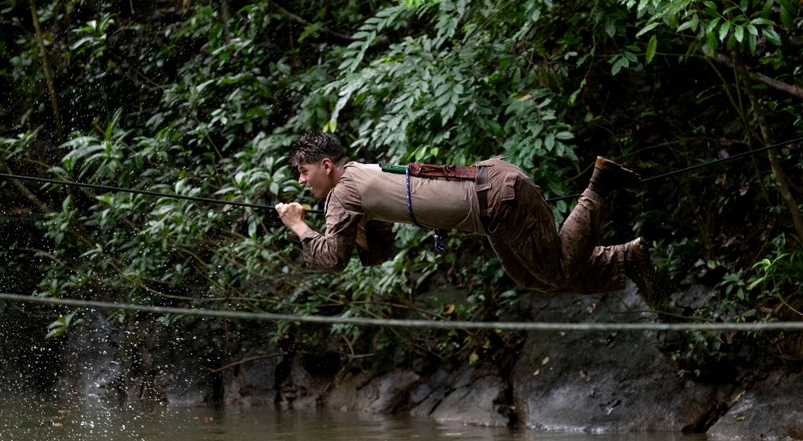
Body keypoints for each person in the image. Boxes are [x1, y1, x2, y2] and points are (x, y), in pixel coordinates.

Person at [275, 131, 657, 303]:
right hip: (495, 198)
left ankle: (600, 185)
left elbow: (331, 259)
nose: (301, 181)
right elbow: (378, 252)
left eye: (304, 172)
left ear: (326, 166)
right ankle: (625, 260)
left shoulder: (344, 191)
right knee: (529, 275)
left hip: (497, 199)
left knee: (555, 268)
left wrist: (297, 225)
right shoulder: (358, 179)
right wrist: (355, 231)